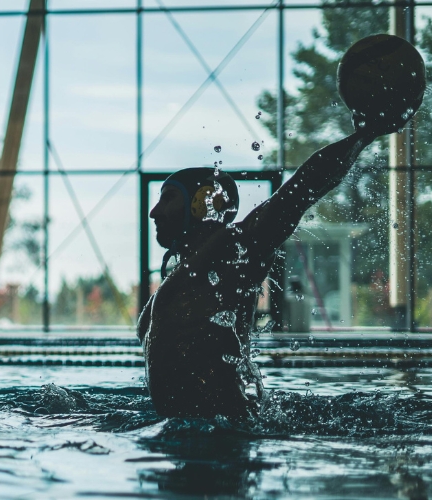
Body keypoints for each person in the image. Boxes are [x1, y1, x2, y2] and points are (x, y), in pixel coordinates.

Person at [137, 115, 410, 418]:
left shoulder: (233, 251)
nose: (154, 212)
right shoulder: (182, 273)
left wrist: (365, 134)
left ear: (200, 203)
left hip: (220, 443)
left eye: (168, 198)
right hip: (186, 440)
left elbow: (304, 186)